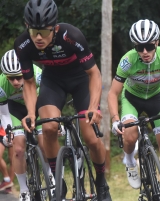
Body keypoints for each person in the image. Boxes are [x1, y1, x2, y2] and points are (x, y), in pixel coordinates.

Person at [14, 0, 111, 201]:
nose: (38, 38)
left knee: (91, 137)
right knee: (48, 128)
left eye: (44, 32)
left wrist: (93, 107)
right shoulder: (23, 45)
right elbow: (30, 83)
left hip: (80, 80)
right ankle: (59, 180)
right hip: (53, 82)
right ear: (27, 27)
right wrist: (31, 113)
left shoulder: (71, 36)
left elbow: (94, 74)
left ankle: (101, 181)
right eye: (33, 31)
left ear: (55, 28)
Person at [108, 19, 160, 201]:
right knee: (130, 136)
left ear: (157, 42)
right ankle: (130, 160)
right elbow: (113, 92)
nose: (145, 52)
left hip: (156, 99)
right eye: (140, 47)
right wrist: (116, 118)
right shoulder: (127, 61)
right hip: (132, 99)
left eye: (148, 46)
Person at [0, 49, 51, 198]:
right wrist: (9, 132)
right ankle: (24, 190)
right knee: (19, 149)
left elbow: (50, 100)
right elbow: (3, 113)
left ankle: (50, 175)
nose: (15, 82)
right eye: (11, 78)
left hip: (37, 106)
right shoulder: (2, 84)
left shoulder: (37, 74)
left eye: (18, 77)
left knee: (44, 142)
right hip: (15, 111)